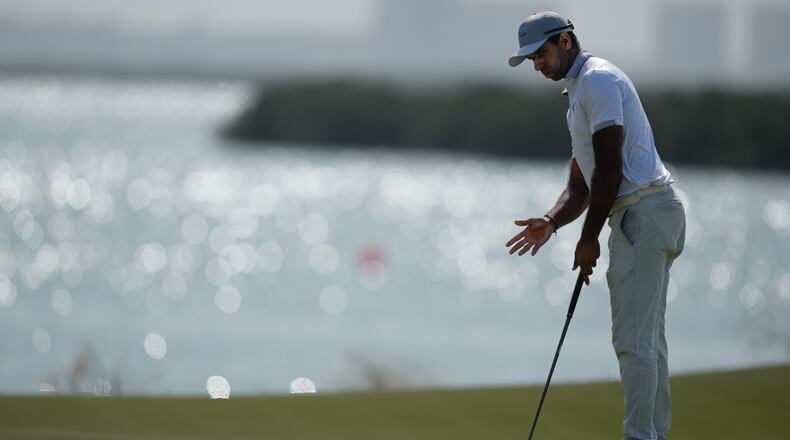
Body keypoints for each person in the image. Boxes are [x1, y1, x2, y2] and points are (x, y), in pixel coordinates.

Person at [504, 11, 686, 440]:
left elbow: (609, 168)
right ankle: (652, 434)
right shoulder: (579, 92)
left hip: (642, 212)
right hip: (648, 212)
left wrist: (589, 239)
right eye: (531, 59)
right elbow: (581, 182)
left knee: (633, 342)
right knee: (648, 340)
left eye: (541, 54)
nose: (537, 65)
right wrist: (551, 221)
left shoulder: (598, 81)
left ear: (566, 41)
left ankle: (642, 436)